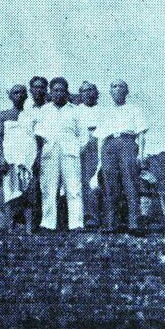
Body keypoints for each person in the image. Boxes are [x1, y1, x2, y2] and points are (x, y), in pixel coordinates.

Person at [34, 77, 88, 231]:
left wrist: (76, 150)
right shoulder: (44, 110)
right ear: (50, 92)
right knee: (48, 188)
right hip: (50, 153)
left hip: (70, 153)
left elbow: (83, 135)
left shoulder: (75, 110)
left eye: (62, 90)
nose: (59, 93)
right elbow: (38, 134)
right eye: (55, 90)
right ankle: (48, 223)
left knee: (73, 188)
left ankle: (76, 224)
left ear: (66, 92)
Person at [95, 80, 148, 233]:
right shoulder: (105, 112)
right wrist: (100, 160)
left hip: (127, 143)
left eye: (121, 86)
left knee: (130, 182)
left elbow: (141, 134)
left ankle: (134, 224)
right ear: (110, 92)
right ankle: (111, 224)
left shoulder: (134, 109)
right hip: (108, 145)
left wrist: (141, 155)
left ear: (126, 91)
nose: (117, 89)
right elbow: (100, 138)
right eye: (114, 87)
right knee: (110, 184)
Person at [0, 85, 35, 230]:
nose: (19, 95)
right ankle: (9, 226)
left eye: (22, 93)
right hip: (10, 157)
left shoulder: (30, 115)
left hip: (26, 157)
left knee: (27, 192)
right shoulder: (3, 115)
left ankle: (28, 228)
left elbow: (34, 137)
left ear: (26, 96)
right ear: (10, 96)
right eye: (15, 92)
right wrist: (1, 156)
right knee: (9, 191)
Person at [18, 75, 49, 230]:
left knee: (49, 188)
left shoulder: (50, 109)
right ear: (30, 90)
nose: (39, 90)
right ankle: (32, 224)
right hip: (29, 154)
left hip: (48, 153)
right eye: (35, 87)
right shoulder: (26, 112)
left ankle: (50, 223)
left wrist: (39, 155)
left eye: (42, 87)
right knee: (31, 189)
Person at [78, 82, 101, 229]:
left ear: (96, 93)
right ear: (80, 94)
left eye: (91, 90)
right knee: (82, 182)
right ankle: (86, 217)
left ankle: (99, 217)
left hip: (98, 145)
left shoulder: (103, 110)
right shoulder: (76, 110)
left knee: (97, 181)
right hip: (80, 146)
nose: (88, 93)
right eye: (84, 91)